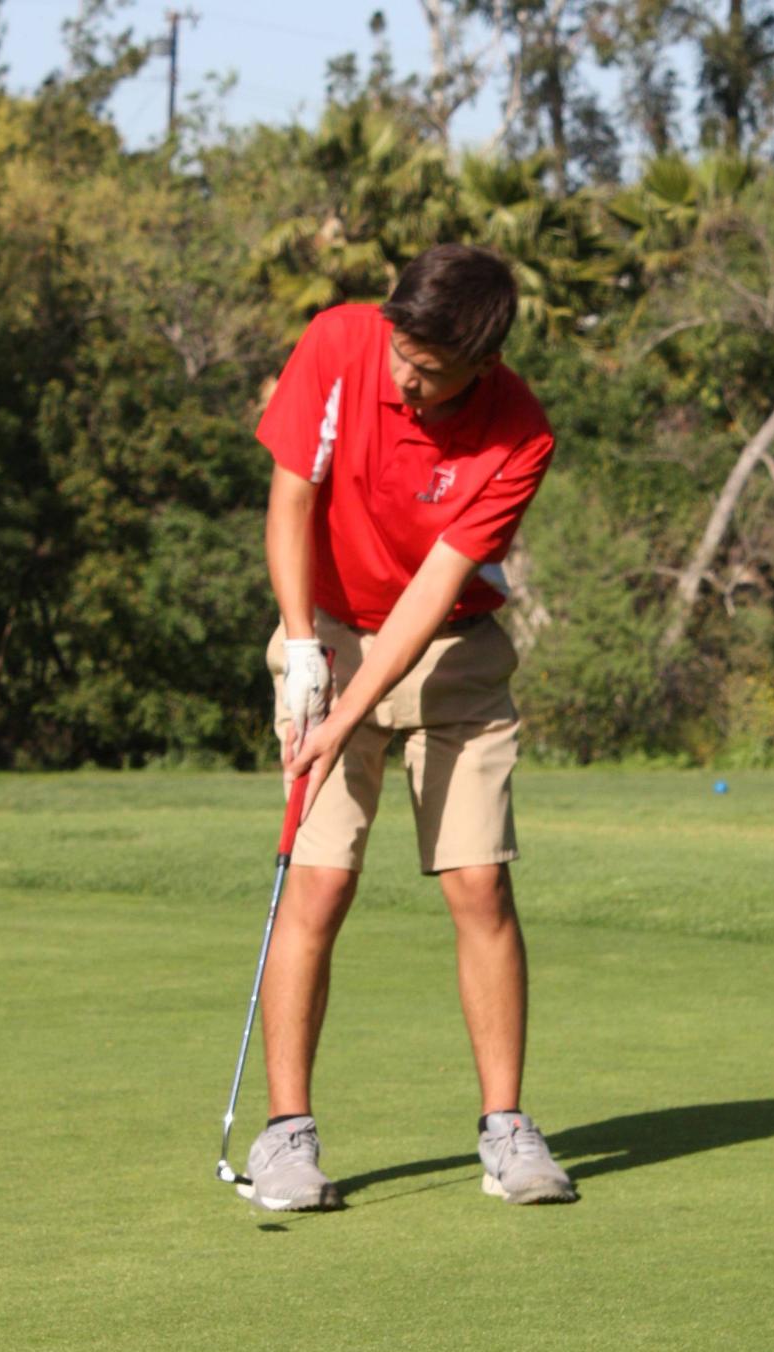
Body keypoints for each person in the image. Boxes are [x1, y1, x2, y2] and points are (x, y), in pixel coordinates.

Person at [238, 244, 575, 1211]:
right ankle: (285, 1137)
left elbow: (434, 593)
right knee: (321, 880)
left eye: (427, 372)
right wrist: (302, 650)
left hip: (453, 649)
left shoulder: (519, 433)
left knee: (479, 883)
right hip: (328, 631)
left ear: (483, 363)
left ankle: (507, 1129)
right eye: (400, 354)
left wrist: (349, 714)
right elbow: (291, 500)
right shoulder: (342, 343)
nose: (402, 378)